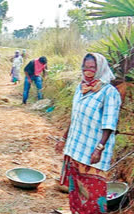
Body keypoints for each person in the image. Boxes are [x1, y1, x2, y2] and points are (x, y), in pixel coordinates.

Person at [55, 53, 121, 214]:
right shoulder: (81, 88)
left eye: (92, 67)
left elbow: (109, 124)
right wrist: (63, 138)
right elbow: (74, 117)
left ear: (100, 69)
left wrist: (99, 148)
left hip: (92, 152)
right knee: (76, 190)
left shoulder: (109, 92)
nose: (88, 71)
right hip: (75, 148)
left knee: (93, 195)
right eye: (85, 67)